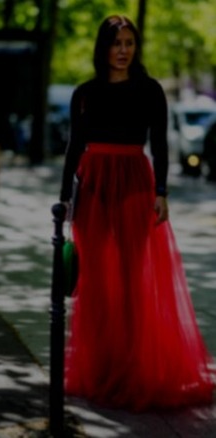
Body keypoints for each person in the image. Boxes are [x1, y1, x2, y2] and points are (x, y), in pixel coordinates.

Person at [59, 15, 214, 411]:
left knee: (131, 277)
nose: (123, 50)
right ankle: (102, 364)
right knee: (95, 280)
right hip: (92, 182)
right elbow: (74, 147)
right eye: (116, 43)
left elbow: (160, 145)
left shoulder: (150, 90)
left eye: (129, 42)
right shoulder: (85, 93)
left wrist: (162, 191)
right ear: (103, 48)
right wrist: (64, 200)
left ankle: (133, 364)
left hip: (133, 181)